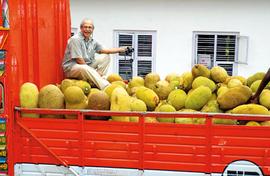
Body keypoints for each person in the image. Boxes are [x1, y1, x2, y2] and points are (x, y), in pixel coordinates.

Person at [62, 18, 128, 90]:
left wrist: (122, 49)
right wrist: (93, 72)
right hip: (72, 68)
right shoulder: (75, 39)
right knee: (84, 67)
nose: (87, 29)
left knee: (105, 57)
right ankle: (105, 86)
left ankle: (95, 81)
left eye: (90, 27)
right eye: (85, 27)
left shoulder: (92, 41)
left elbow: (106, 51)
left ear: (93, 29)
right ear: (81, 28)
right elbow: (79, 60)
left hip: (86, 66)